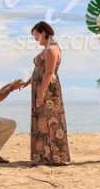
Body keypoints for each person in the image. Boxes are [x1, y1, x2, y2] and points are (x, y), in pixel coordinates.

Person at [21, 21, 70, 165]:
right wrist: (29, 82)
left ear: (43, 32)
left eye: (36, 36)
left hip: (48, 91)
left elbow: (49, 72)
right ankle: (45, 155)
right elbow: (40, 70)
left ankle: (54, 156)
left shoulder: (51, 48)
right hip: (42, 88)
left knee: (50, 121)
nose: (36, 39)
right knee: (43, 121)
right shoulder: (48, 48)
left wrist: (41, 94)